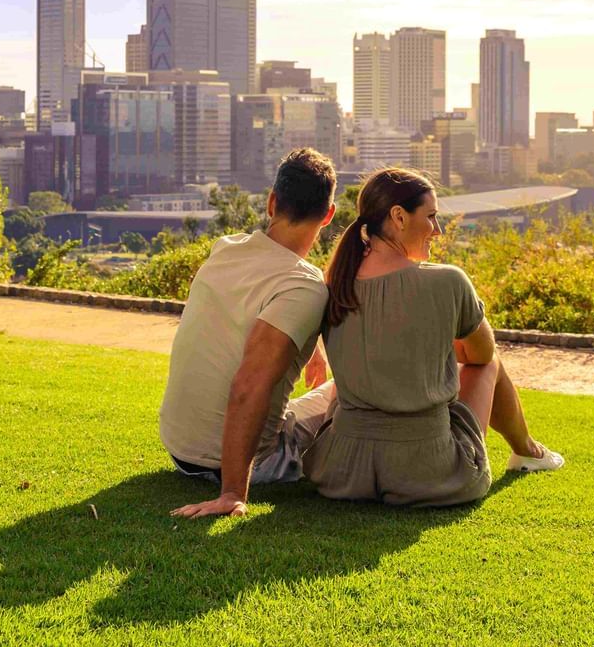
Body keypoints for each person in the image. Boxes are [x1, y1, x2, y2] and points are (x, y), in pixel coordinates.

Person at [300, 166, 562, 507]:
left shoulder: (334, 282)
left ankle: (528, 450)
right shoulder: (447, 282)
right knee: (491, 364)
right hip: (428, 474)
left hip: (341, 472)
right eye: (432, 217)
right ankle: (527, 450)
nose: (437, 230)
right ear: (398, 216)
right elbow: (480, 356)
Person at [163, 149, 339, 520]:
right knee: (347, 391)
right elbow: (249, 384)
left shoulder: (225, 249)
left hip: (181, 452)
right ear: (328, 215)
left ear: (272, 202)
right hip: (253, 464)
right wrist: (231, 493)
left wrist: (314, 346)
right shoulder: (303, 286)